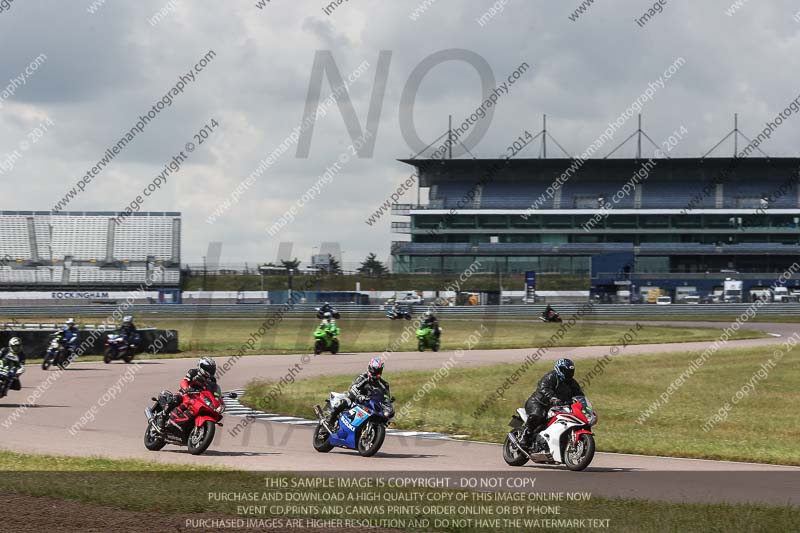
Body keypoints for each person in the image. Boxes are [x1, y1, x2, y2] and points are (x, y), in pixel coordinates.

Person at [522, 358, 584, 448]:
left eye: (570, 371)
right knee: (538, 415)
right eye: (565, 371)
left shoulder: (572, 383)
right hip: (539, 403)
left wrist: (583, 403)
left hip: (557, 407)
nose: (568, 373)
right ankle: (526, 435)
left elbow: (579, 394)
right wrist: (552, 398)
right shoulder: (551, 377)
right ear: (559, 369)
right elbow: (544, 387)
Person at [324, 357, 390, 430]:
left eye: (378, 370)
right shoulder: (363, 377)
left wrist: (388, 404)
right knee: (346, 401)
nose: (375, 372)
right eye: (374, 369)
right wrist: (359, 395)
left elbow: (386, 397)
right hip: (356, 398)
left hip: (369, 403)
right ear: (369, 367)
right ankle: (330, 420)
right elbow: (354, 387)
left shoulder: (384, 384)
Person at [154, 357, 218, 432]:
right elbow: (184, 382)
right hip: (186, 393)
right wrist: (187, 389)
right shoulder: (193, 372)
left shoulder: (212, 380)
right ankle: (162, 417)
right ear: (201, 366)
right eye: (208, 368)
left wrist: (217, 397)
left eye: (212, 369)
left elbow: (213, 390)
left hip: (198, 398)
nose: (210, 371)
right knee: (176, 398)